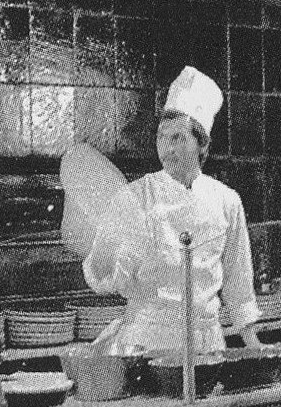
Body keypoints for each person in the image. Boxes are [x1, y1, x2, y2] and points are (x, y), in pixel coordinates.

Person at [83, 66, 263, 353]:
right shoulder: (135, 196)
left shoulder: (227, 201)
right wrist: (105, 250)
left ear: (202, 144)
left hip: (208, 345)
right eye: (161, 137)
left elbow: (238, 281)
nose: (167, 149)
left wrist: (254, 346)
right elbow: (101, 275)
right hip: (147, 344)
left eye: (178, 138)